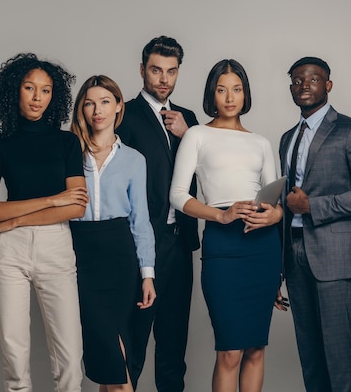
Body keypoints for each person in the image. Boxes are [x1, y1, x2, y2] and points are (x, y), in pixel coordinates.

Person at [170, 59, 284, 392]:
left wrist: (275, 215)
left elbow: (274, 200)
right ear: (212, 94)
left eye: (237, 89)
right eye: (222, 90)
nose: (230, 97)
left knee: (255, 349)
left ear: (245, 94)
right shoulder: (197, 134)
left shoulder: (261, 142)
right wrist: (220, 215)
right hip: (222, 243)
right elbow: (177, 195)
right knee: (230, 351)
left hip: (262, 247)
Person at [0, 53, 88, 392]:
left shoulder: (67, 142)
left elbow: (76, 208)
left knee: (70, 358)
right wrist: (53, 199)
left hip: (55, 246)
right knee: (15, 360)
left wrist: (17, 218)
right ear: (15, 91)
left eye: (45, 90)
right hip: (9, 253)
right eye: (30, 88)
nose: (37, 97)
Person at [279, 56, 351, 392]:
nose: (303, 85)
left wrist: (313, 206)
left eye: (312, 79)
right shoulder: (287, 137)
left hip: (334, 253)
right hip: (293, 253)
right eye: (296, 80)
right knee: (309, 353)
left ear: (328, 85)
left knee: (336, 350)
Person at [117, 35, 199, 392]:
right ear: (142, 70)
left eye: (171, 71)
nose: (163, 79)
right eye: (155, 70)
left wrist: (190, 134)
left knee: (173, 342)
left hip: (180, 243)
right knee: (134, 338)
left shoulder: (190, 119)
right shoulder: (125, 115)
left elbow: (205, 175)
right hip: (141, 243)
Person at [69, 75, 157, 392]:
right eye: (90, 102)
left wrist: (147, 274)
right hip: (79, 258)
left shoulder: (134, 160)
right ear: (82, 108)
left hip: (121, 258)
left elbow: (141, 221)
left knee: (117, 366)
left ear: (118, 106)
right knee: (109, 362)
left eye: (105, 101)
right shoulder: (68, 155)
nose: (97, 110)